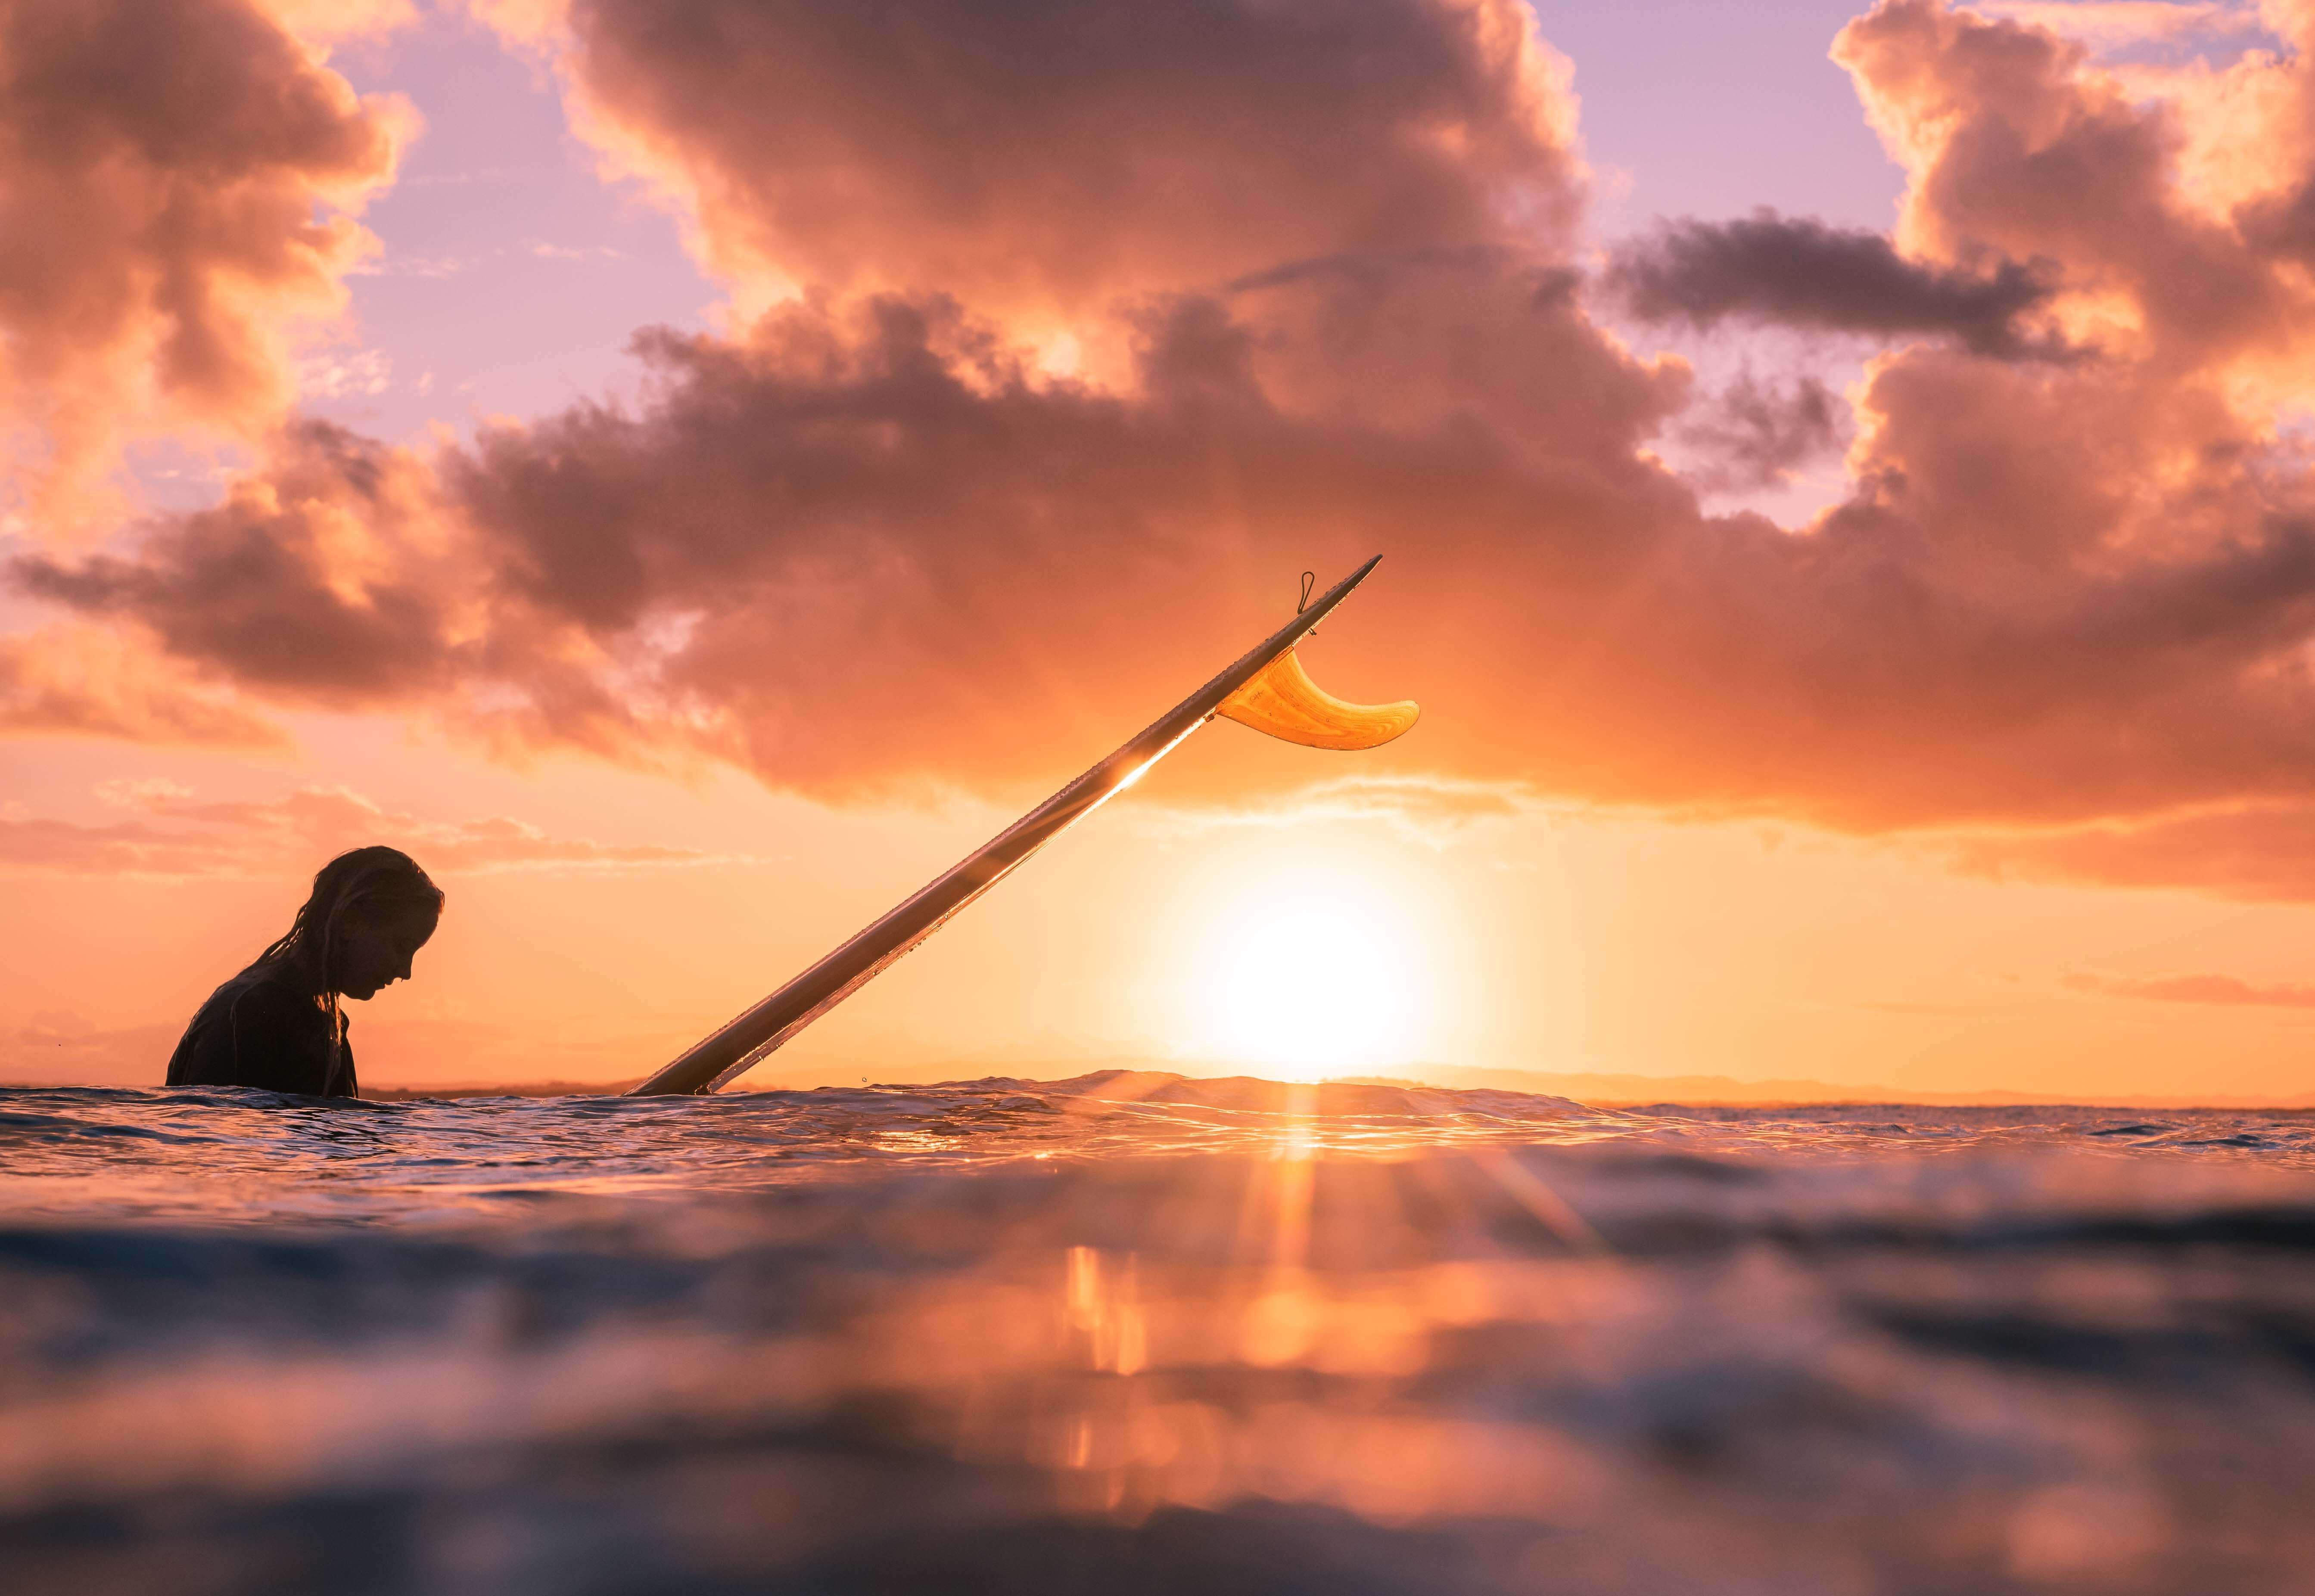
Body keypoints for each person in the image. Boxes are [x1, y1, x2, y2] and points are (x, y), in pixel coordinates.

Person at [166, 847, 444, 1098]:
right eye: (402, 947)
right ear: (350, 922)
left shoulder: (324, 1025)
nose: (405, 971)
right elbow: (218, 1144)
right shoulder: (252, 1011)